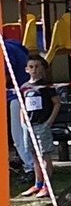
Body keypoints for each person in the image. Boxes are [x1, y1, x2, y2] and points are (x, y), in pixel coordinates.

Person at [18, 55, 59, 197]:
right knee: (34, 155)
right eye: (31, 67)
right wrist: (23, 122)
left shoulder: (46, 86)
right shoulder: (24, 87)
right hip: (28, 126)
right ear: (26, 69)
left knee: (44, 154)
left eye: (37, 66)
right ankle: (38, 183)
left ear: (42, 68)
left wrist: (49, 122)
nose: (34, 69)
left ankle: (47, 185)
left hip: (42, 124)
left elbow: (56, 103)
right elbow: (22, 105)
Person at [5, 35, 32, 181]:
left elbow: (6, 75)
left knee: (19, 135)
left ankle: (30, 167)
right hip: (26, 93)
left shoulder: (5, 50)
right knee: (23, 134)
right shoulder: (13, 45)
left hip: (18, 96)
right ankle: (26, 162)